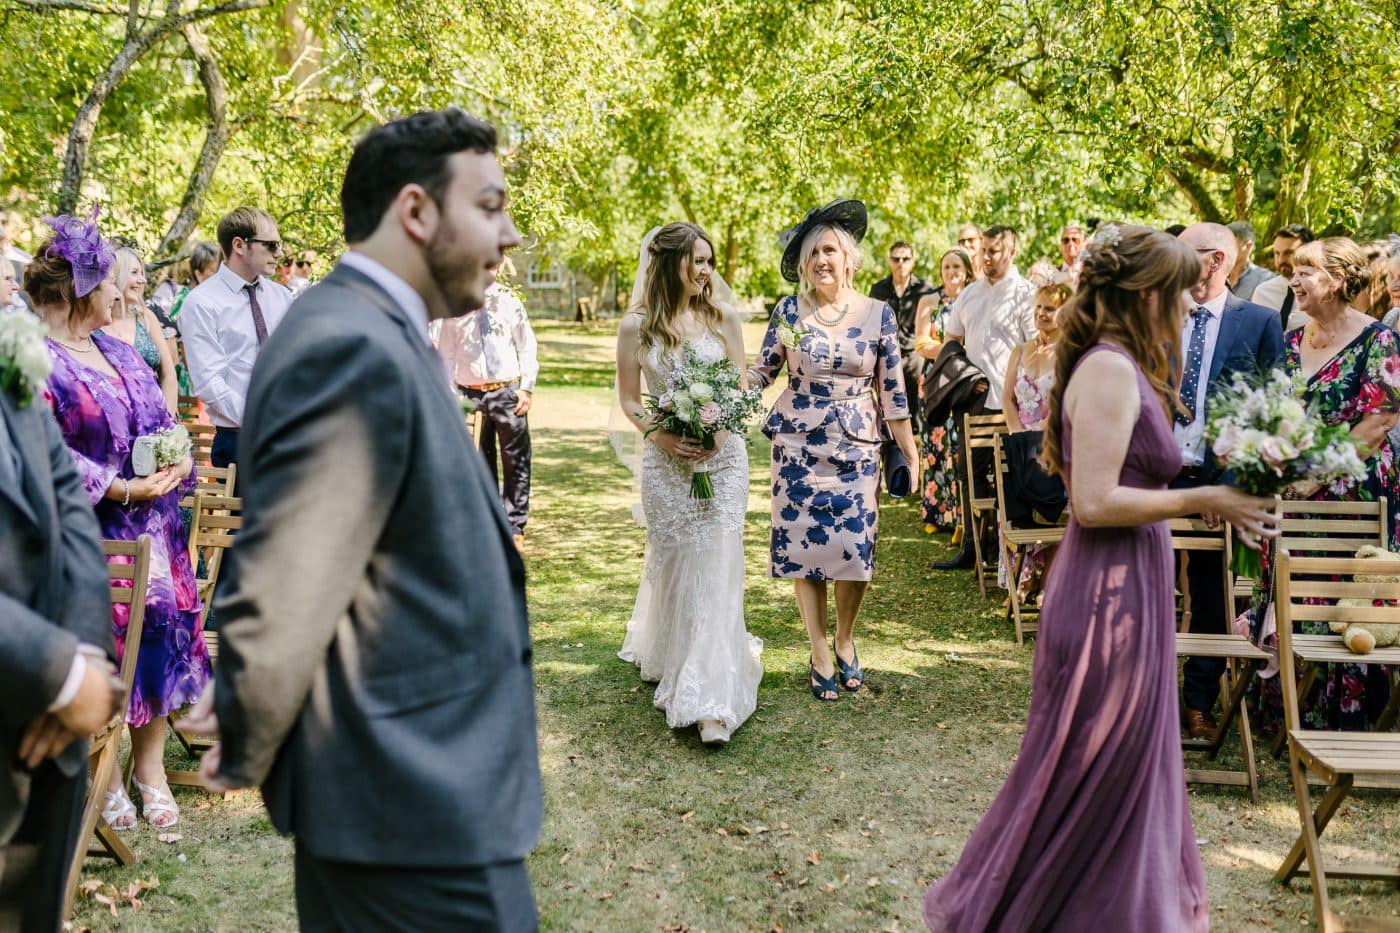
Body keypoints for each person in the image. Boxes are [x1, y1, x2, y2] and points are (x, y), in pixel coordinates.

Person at [176, 107, 542, 931]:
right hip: (403, 805)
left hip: (423, 799)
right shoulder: (348, 341)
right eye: (489, 205)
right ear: (415, 212)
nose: (510, 232)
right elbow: (293, 564)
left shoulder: (378, 329)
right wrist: (247, 700)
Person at [921, 224, 1279, 933]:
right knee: (1088, 769)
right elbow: (1093, 501)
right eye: (1180, 292)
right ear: (1145, 295)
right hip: (1106, 596)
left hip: (1129, 585)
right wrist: (1204, 499)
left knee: (1116, 766)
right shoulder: (1111, 371)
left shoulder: (1125, 364)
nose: (1189, 305)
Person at [28, 211, 209, 834]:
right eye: (110, 281)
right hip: (89, 535)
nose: (122, 290)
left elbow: (159, 415)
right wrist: (119, 485)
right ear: (82, 290)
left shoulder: (115, 346)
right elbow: (40, 449)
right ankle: (97, 775)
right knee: (104, 651)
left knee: (160, 636)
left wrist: (175, 453)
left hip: (156, 530)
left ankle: (148, 771)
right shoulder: (33, 360)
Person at [748, 200, 919, 701]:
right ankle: (819, 648)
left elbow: (895, 393)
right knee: (804, 550)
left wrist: (909, 453)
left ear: (849, 258)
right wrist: (723, 395)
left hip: (858, 443)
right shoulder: (788, 311)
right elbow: (763, 370)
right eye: (813, 252)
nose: (822, 259)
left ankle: (845, 637)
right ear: (803, 264)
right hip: (798, 443)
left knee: (854, 548)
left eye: (830, 250)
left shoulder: (879, 314)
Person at [613, 222, 762, 746]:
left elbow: (741, 389)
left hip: (724, 463)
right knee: (678, 565)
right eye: (696, 260)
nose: (705, 271)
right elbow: (630, 398)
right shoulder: (637, 327)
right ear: (668, 262)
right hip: (666, 464)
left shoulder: (723, 321)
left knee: (719, 565)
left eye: (709, 261)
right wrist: (662, 435)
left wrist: (718, 433)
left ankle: (711, 700)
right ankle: (676, 655)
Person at [0, 308, 124, 932]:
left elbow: (71, 513)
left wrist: (88, 656)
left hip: (43, 750)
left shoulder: (9, 361)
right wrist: (61, 677)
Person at [1269, 236, 1400, 731]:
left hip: (1357, 491)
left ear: (1338, 280)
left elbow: (1380, 421)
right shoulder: (1288, 340)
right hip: (1295, 491)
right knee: (1299, 591)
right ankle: (1289, 708)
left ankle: (1348, 715)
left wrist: (1316, 476)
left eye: (1306, 271)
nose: (1294, 280)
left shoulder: (1377, 340)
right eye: (1293, 271)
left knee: (1348, 595)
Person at [1172, 222, 1285, 739]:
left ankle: (1197, 700)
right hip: (1156, 474)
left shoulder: (1259, 323)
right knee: (1141, 581)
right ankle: (1139, 695)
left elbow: (1270, 412)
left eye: (1184, 254)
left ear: (1216, 260)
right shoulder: (1159, 314)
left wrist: (1233, 484)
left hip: (1219, 481)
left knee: (1211, 591)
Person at [932, 223, 1037, 571]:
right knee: (970, 475)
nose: (987, 257)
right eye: (984, 250)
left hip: (1015, 404)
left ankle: (1010, 553)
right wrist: (963, 377)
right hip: (973, 399)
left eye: (994, 250)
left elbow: (1037, 348)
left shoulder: (1026, 293)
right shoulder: (970, 293)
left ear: (1012, 252)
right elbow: (951, 341)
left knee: (1010, 476)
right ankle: (974, 549)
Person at [180, 207, 294, 469]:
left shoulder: (282, 297)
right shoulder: (201, 303)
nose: (279, 253)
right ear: (240, 245)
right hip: (239, 441)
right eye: (271, 245)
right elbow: (209, 382)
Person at [433, 280, 539, 547]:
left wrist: (526, 388)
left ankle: (515, 526)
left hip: (507, 391)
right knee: (479, 461)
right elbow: (445, 356)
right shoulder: (456, 302)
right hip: (470, 395)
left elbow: (526, 346)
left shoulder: (508, 300)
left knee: (516, 461)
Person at [997, 281, 1072, 602]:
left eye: (1049, 308)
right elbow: (1006, 399)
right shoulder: (1020, 350)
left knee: (1054, 508)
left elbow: (1061, 406)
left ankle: (1047, 582)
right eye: (1039, 307)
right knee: (1014, 479)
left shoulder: (1070, 354)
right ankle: (1021, 578)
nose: (1042, 313)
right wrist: (1017, 435)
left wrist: (1037, 438)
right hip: (1018, 440)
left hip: (1052, 442)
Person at [913, 248, 974, 534]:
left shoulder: (974, 299)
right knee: (934, 444)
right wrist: (953, 350)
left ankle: (962, 516)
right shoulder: (929, 301)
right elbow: (921, 343)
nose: (951, 272)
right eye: (946, 267)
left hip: (963, 381)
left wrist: (953, 350)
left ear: (967, 271)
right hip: (935, 379)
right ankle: (935, 514)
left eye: (957, 267)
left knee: (958, 446)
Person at [101, 247, 179, 413]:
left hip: (155, 418)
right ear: (116, 276)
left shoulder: (146, 318)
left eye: (142, 273)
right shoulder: (96, 322)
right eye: (134, 272)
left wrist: (168, 423)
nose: (142, 280)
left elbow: (169, 375)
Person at [869, 241, 935, 433]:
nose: (900, 263)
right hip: (887, 356)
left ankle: (918, 445)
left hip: (915, 355)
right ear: (890, 261)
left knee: (916, 406)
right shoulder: (878, 289)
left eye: (905, 258)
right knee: (888, 408)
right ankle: (891, 450)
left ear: (912, 261)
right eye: (896, 258)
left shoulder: (925, 289)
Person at [164, 241, 220, 400]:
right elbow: (185, 345)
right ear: (198, 273)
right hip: (193, 380)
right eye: (213, 272)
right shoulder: (186, 299)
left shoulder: (213, 298)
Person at [1251, 222, 1315, 330]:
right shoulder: (1263, 292)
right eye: (1277, 253)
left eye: (1288, 253)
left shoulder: (1323, 295)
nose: (1281, 260)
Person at [1226, 220, 1276, 300]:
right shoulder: (1213, 276)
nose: (1224, 249)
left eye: (1230, 244)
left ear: (1249, 246)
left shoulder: (1265, 279)